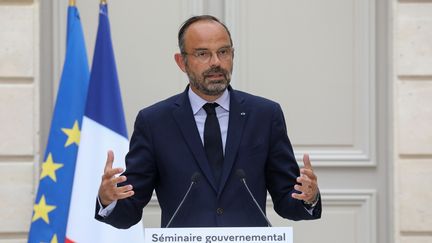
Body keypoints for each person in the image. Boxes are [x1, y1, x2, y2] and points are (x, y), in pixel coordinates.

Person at [95, 15, 321, 228]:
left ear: (233, 54)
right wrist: (109, 200)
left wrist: (307, 198)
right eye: (203, 54)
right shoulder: (154, 122)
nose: (216, 62)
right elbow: (129, 212)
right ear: (181, 62)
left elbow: (287, 202)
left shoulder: (264, 115)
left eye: (223, 52)